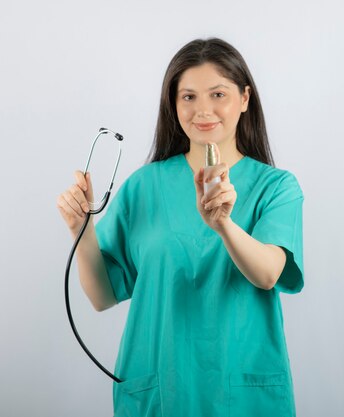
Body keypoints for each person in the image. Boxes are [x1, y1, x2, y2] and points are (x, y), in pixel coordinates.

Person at [56, 38, 304, 417]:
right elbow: (103, 295)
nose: (202, 110)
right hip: (159, 392)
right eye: (188, 97)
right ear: (173, 104)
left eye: (217, 94)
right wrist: (82, 228)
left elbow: (269, 273)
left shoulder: (277, 187)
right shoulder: (143, 187)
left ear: (244, 98)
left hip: (242, 395)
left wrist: (223, 226)